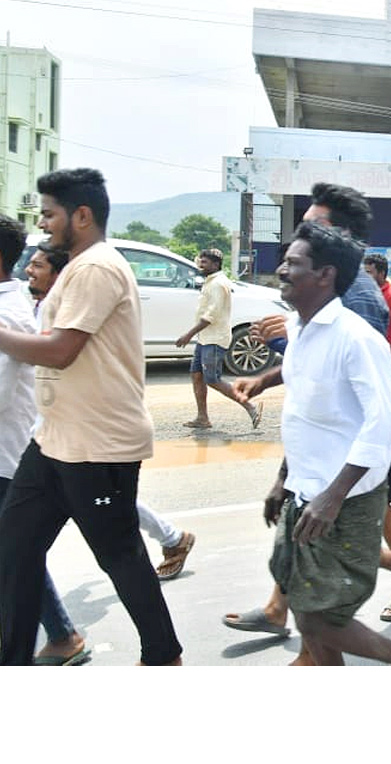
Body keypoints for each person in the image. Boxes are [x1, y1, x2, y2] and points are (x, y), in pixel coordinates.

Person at [225, 183, 391, 644]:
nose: (299, 236)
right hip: (321, 448)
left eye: (313, 225)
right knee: (310, 535)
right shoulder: (309, 295)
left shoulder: (356, 299)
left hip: (349, 448)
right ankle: (284, 609)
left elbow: (352, 370)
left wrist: (332, 485)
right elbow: (310, 365)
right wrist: (266, 378)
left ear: (339, 241)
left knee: (358, 519)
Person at [0, 168, 182, 665]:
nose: (43, 225)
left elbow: (60, 351)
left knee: (121, 558)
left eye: (49, 214)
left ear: (81, 216)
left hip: (99, 445)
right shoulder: (80, 267)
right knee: (12, 550)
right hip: (55, 440)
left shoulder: (97, 267)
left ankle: (164, 656)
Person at [27, 242, 197, 584]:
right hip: (50, 422)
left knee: (98, 512)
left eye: (38, 266)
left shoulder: (78, 306)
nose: (29, 271)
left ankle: (170, 541)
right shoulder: (40, 306)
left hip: (83, 426)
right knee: (80, 511)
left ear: (59, 275)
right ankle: (171, 539)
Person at [0, 221, 91, 666]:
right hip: (18, 449)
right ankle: (60, 633)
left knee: (15, 551)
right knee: (16, 550)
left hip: (6, 454)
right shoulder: (16, 303)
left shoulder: (7, 314)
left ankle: (57, 636)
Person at [176, 247, 263, 430]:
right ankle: (202, 418)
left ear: (216, 264)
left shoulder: (217, 284)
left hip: (214, 339)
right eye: (200, 261)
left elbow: (211, 316)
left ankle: (250, 405)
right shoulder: (210, 281)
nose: (200, 264)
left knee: (212, 379)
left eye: (204, 262)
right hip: (205, 338)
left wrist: (188, 334)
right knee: (197, 375)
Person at [363, 253, 391, 348]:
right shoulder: (367, 292)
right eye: (365, 273)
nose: (366, 276)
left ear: (381, 273)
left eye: (369, 272)